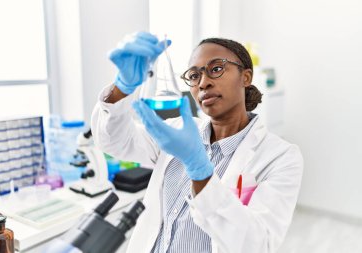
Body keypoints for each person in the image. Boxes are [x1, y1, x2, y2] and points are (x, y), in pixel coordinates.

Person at [91, 31, 303, 253]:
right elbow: (114, 141)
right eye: (193, 76)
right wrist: (122, 86)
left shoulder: (282, 157)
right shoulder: (177, 132)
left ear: (246, 77)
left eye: (216, 69)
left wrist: (199, 169)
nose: (203, 83)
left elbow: (257, 245)